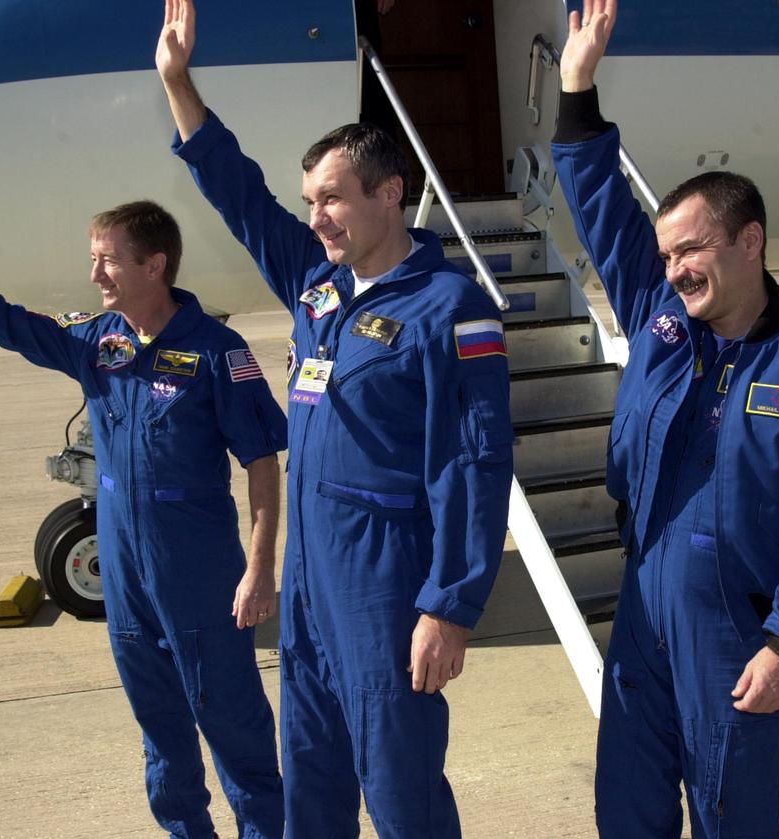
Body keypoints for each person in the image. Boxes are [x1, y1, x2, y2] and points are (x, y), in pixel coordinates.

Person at [155, 1, 514, 836]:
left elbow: (474, 465)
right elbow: (239, 195)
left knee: (399, 783)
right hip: (314, 577)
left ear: (391, 194)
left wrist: (449, 606)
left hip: (387, 583)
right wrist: (179, 85)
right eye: (310, 199)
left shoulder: (449, 309)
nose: (316, 217)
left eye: (333, 199)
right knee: (310, 776)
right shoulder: (319, 286)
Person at [551, 1, 779, 836]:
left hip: (738, 631)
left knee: (732, 810)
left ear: (750, 242)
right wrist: (576, 86)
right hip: (644, 607)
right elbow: (600, 206)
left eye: (690, 251)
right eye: (666, 255)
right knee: (626, 803)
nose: (671, 271)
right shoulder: (663, 322)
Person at [0, 179, 287, 839]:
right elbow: (3, 321)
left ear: (155, 265)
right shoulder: (98, 344)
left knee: (237, 736)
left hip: (199, 579)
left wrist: (260, 569)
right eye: (93, 259)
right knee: (162, 742)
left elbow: (261, 461)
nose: (93, 274)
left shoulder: (217, 352)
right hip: (125, 581)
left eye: (107, 259)